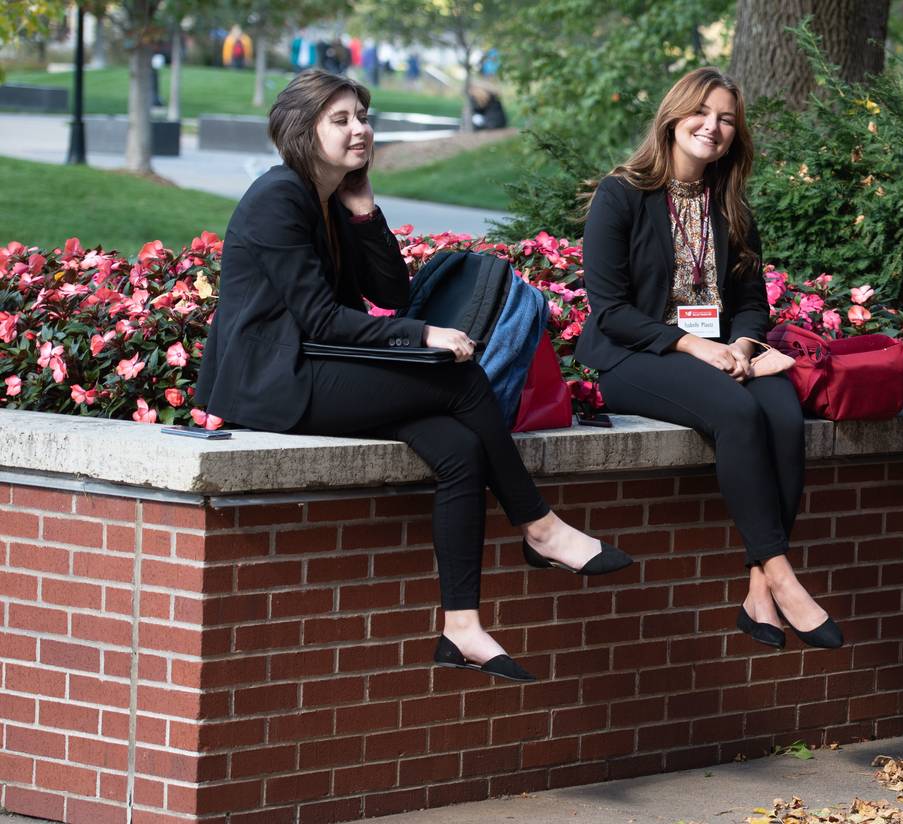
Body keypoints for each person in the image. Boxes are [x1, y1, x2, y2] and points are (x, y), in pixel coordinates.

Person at [197, 70, 633, 683]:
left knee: (457, 449)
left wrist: (363, 209)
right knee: (457, 377)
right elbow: (322, 318)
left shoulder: (327, 200)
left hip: (311, 365)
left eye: (362, 117)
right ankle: (539, 526)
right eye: (341, 120)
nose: (360, 129)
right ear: (302, 131)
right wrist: (421, 336)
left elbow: (390, 290)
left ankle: (461, 628)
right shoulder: (278, 198)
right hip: (274, 381)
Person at [577, 67, 840, 651]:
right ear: (674, 117)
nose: (713, 127)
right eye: (702, 113)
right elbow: (610, 309)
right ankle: (782, 577)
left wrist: (743, 348)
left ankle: (757, 591)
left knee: (782, 413)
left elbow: (750, 301)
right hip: (637, 357)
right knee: (739, 415)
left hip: (723, 354)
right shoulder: (621, 195)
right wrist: (697, 347)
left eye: (726, 119)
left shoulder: (730, 204)